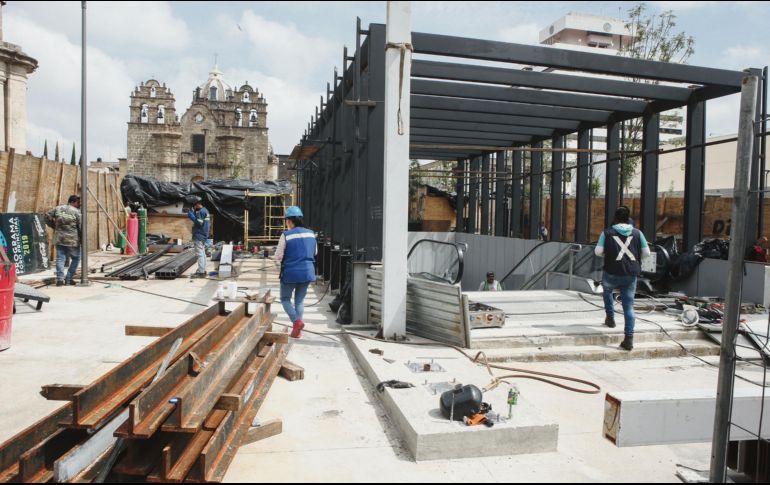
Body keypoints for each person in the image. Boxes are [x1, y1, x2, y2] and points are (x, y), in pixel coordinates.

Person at [595, 206, 650, 351]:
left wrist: (608, 255)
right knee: (628, 306)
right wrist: (635, 259)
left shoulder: (607, 232)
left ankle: (610, 318)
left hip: (611, 271)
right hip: (630, 274)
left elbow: (598, 251)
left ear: (616, 218)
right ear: (628, 217)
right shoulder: (638, 233)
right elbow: (647, 253)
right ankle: (628, 339)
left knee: (607, 291)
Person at [273, 206, 316, 339]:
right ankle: (298, 331)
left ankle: (296, 322)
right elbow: (315, 253)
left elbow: (278, 256)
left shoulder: (286, 235)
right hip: (308, 272)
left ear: (289, 221)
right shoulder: (311, 233)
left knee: (285, 299)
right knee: (299, 301)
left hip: (290, 273)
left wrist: (277, 267)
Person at [45, 195, 82, 286]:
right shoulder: (77, 212)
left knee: (60, 258)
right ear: (73, 202)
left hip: (59, 238)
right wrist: (82, 240)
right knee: (76, 258)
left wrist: (54, 226)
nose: (79, 205)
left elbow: (46, 216)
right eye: (78, 203)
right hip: (72, 240)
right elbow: (81, 227)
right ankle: (69, 279)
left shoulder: (58, 208)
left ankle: (60, 280)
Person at [187, 197, 210, 278]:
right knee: (203, 253)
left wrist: (192, 217)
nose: (194, 208)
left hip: (199, 235)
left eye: (194, 206)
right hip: (204, 235)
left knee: (200, 254)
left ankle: (200, 272)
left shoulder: (201, 212)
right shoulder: (205, 210)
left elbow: (199, 224)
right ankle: (202, 270)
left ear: (197, 205)